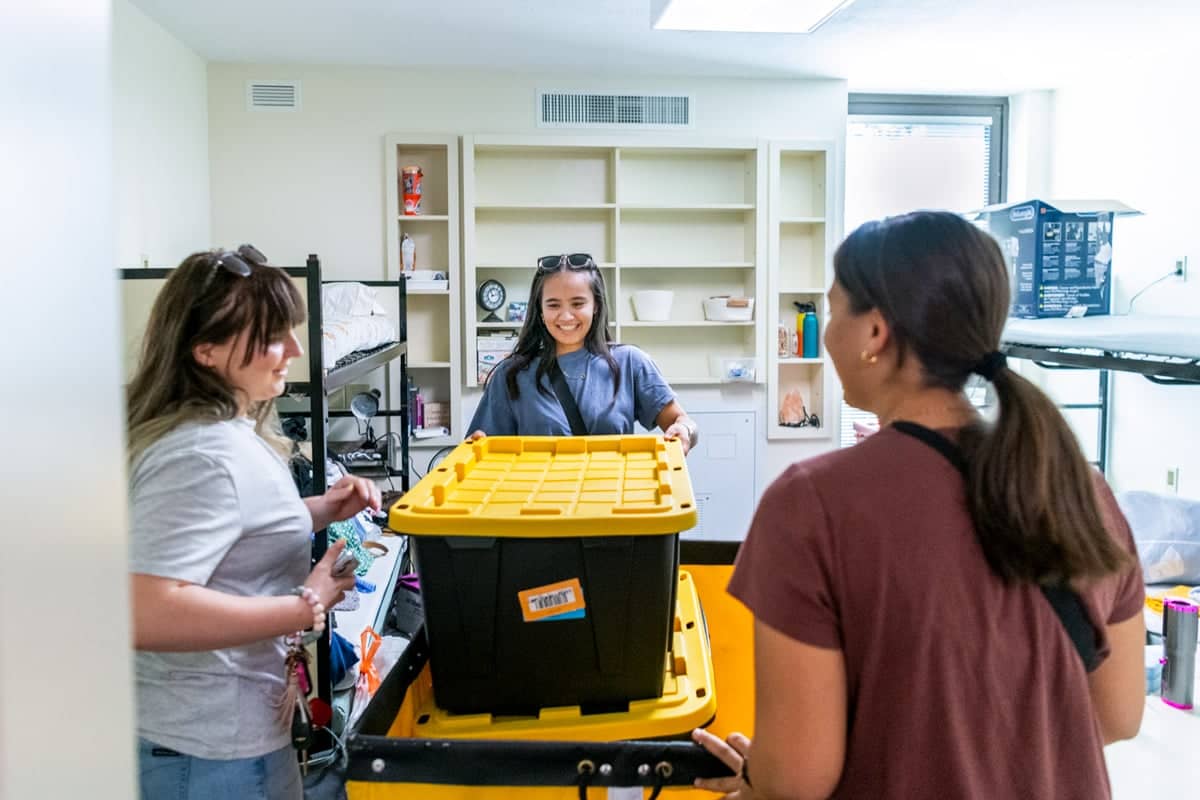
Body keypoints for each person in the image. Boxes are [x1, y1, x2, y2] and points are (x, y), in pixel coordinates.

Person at [693, 211, 1144, 799]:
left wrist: (761, 781)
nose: (827, 334)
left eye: (833, 311)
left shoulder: (812, 505)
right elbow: (1117, 715)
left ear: (875, 333)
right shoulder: (1081, 491)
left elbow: (798, 780)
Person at [127, 245, 380, 799]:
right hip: (205, 754)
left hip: (231, 740)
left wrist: (321, 511)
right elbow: (146, 609)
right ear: (206, 350)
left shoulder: (229, 431)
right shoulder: (199, 455)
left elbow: (233, 532)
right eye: (272, 335)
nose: (293, 348)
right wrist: (303, 605)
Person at [468, 253, 698, 453]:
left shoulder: (630, 363)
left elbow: (682, 421)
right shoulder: (511, 374)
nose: (566, 316)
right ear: (539, 309)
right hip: (539, 502)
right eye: (553, 305)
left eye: (578, 304)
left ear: (596, 305)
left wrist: (684, 430)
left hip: (613, 500)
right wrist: (476, 448)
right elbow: (482, 447)